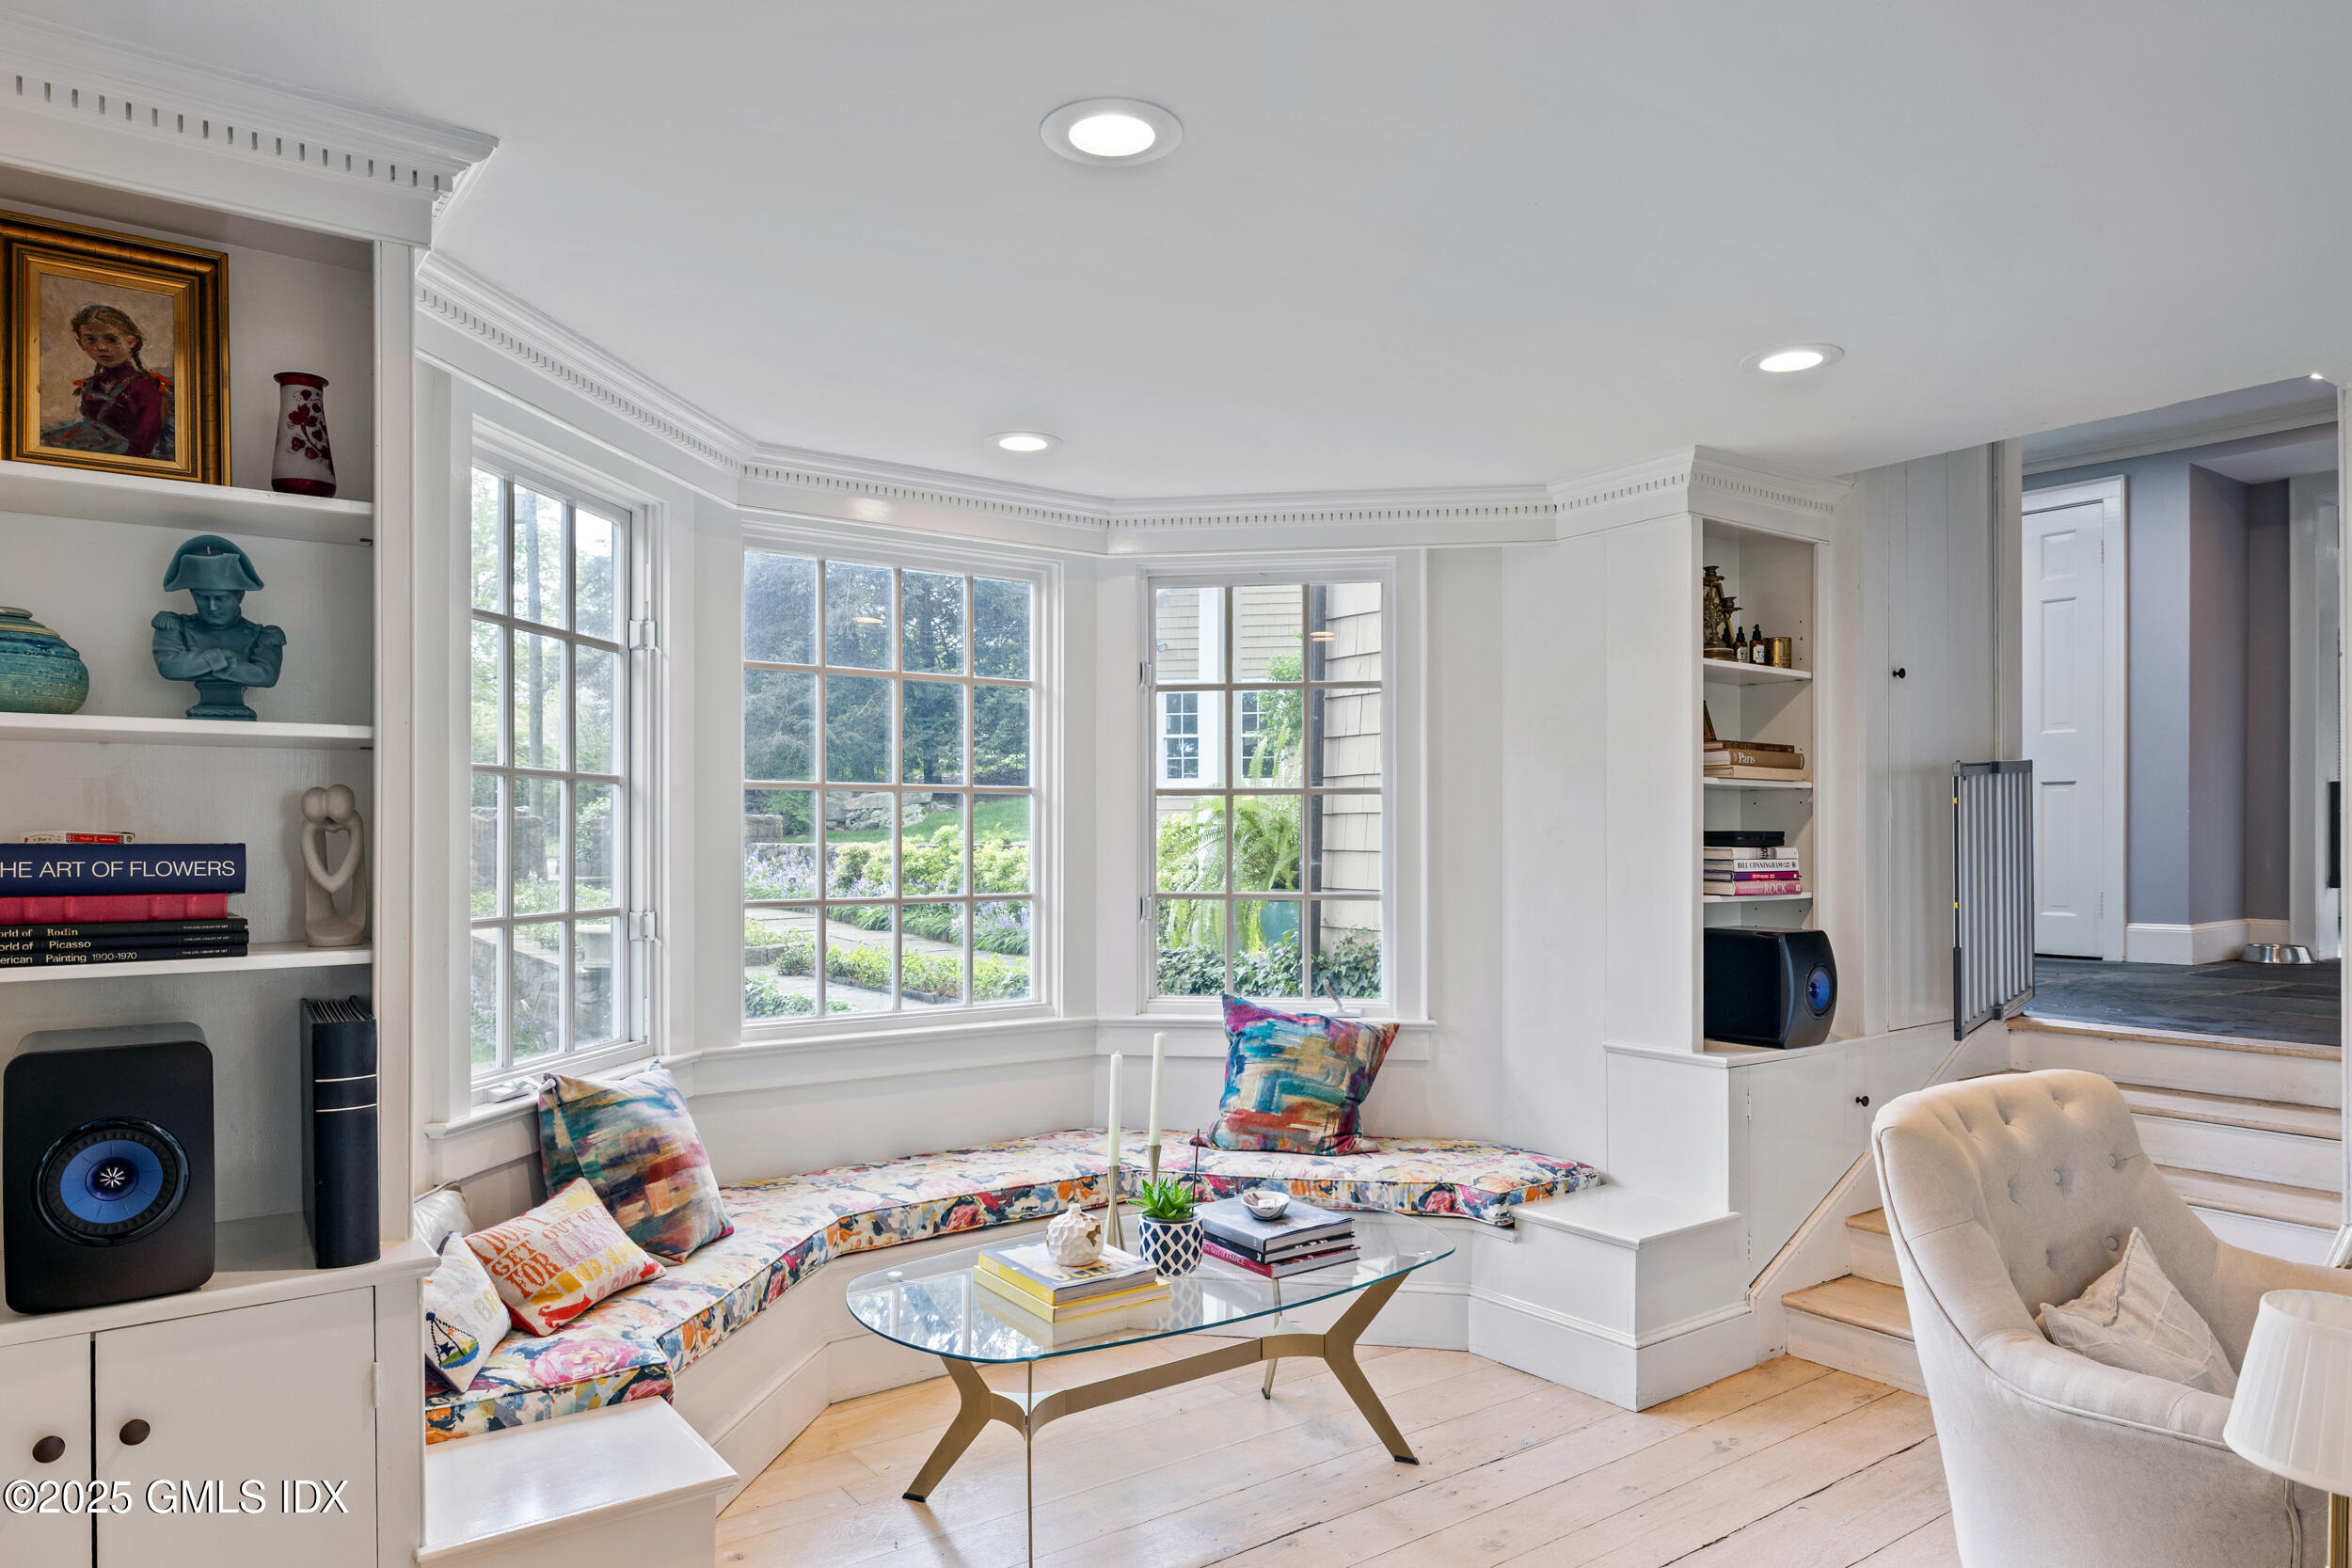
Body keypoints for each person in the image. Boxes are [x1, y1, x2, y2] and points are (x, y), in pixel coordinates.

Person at [151, 535, 285, 721]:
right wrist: (219, 658)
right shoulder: (176, 627)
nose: (212, 607)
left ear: (240, 596)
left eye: (221, 598)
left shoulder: (262, 635)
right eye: (203, 598)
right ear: (193, 595)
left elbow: (266, 676)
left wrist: (201, 663)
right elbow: (169, 667)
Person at [43, 303, 170, 460]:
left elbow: (142, 448)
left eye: (111, 339)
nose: (101, 347)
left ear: (131, 342)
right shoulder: (92, 384)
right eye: (90, 339)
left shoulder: (143, 388)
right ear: (81, 344)